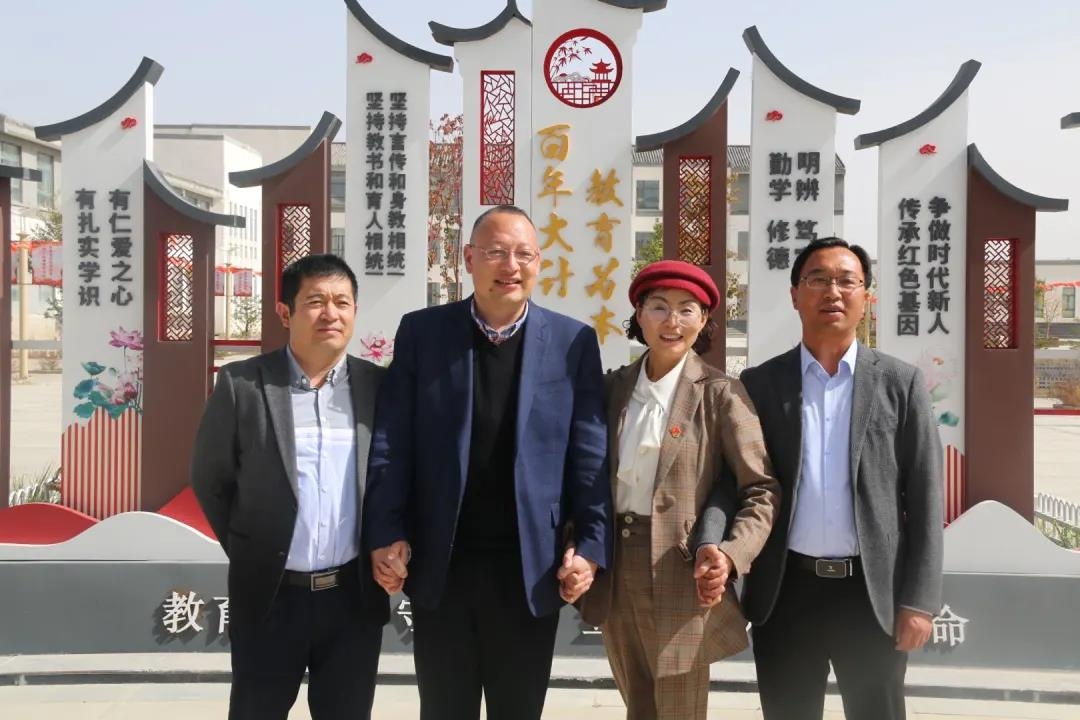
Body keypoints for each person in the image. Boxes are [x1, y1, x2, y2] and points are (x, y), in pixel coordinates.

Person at [363, 204, 611, 720]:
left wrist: (589, 547)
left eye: (523, 254)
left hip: (531, 569)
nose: (510, 266)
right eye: (496, 252)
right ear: (469, 258)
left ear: (539, 262)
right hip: (442, 566)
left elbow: (589, 455)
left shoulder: (572, 342)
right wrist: (386, 532)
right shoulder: (424, 334)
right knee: (443, 709)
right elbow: (392, 442)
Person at [706, 237, 944, 720]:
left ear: (866, 297)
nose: (832, 292)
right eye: (817, 279)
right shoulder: (760, 384)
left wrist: (919, 601)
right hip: (786, 591)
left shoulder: (899, 383)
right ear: (795, 295)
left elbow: (925, 497)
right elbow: (734, 481)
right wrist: (715, 544)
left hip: (871, 595)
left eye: (847, 281)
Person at [577, 259, 780, 720]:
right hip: (616, 568)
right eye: (659, 307)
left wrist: (731, 553)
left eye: (687, 309)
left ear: (704, 320)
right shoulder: (611, 389)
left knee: (679, 711)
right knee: (638, 705)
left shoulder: (721, 394)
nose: (673, 321)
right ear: (639, 314)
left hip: (683, 572)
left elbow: (761, 488)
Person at [191, 254, 388, 720]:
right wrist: (255, 546)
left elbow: (391, 478)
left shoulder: (379, 386)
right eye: (315, 301)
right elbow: (211, 480)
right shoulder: (242, 385)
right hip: (270, 598)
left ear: (355, 311)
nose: (330, 313)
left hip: (352, 600)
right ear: (285, 312)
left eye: (342, 302)